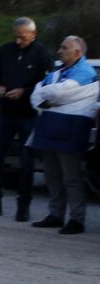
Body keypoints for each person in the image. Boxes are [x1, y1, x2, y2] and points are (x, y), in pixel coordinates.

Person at [0, 17, 51, 220]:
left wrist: (25, 91)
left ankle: (23, 205)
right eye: (16, 37)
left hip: (28, 114)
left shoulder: (42, 54)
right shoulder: (5, 50)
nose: (18, 42)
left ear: (33, 35)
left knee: (26, 161)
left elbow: (46, 83)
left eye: (23, 38)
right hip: (6, 112)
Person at [28, 35, 97, 235]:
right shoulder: (58, 71)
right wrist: (46, 97)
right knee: (52, 175)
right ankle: (55, 214)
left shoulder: (85, 72)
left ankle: (77, 219)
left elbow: (62, 93)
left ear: (77, 52)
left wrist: (46, 96)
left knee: (71, 177)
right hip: (49, 127)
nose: (60, 51)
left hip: (71, 130)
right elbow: (36, 94)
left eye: (64, 48)